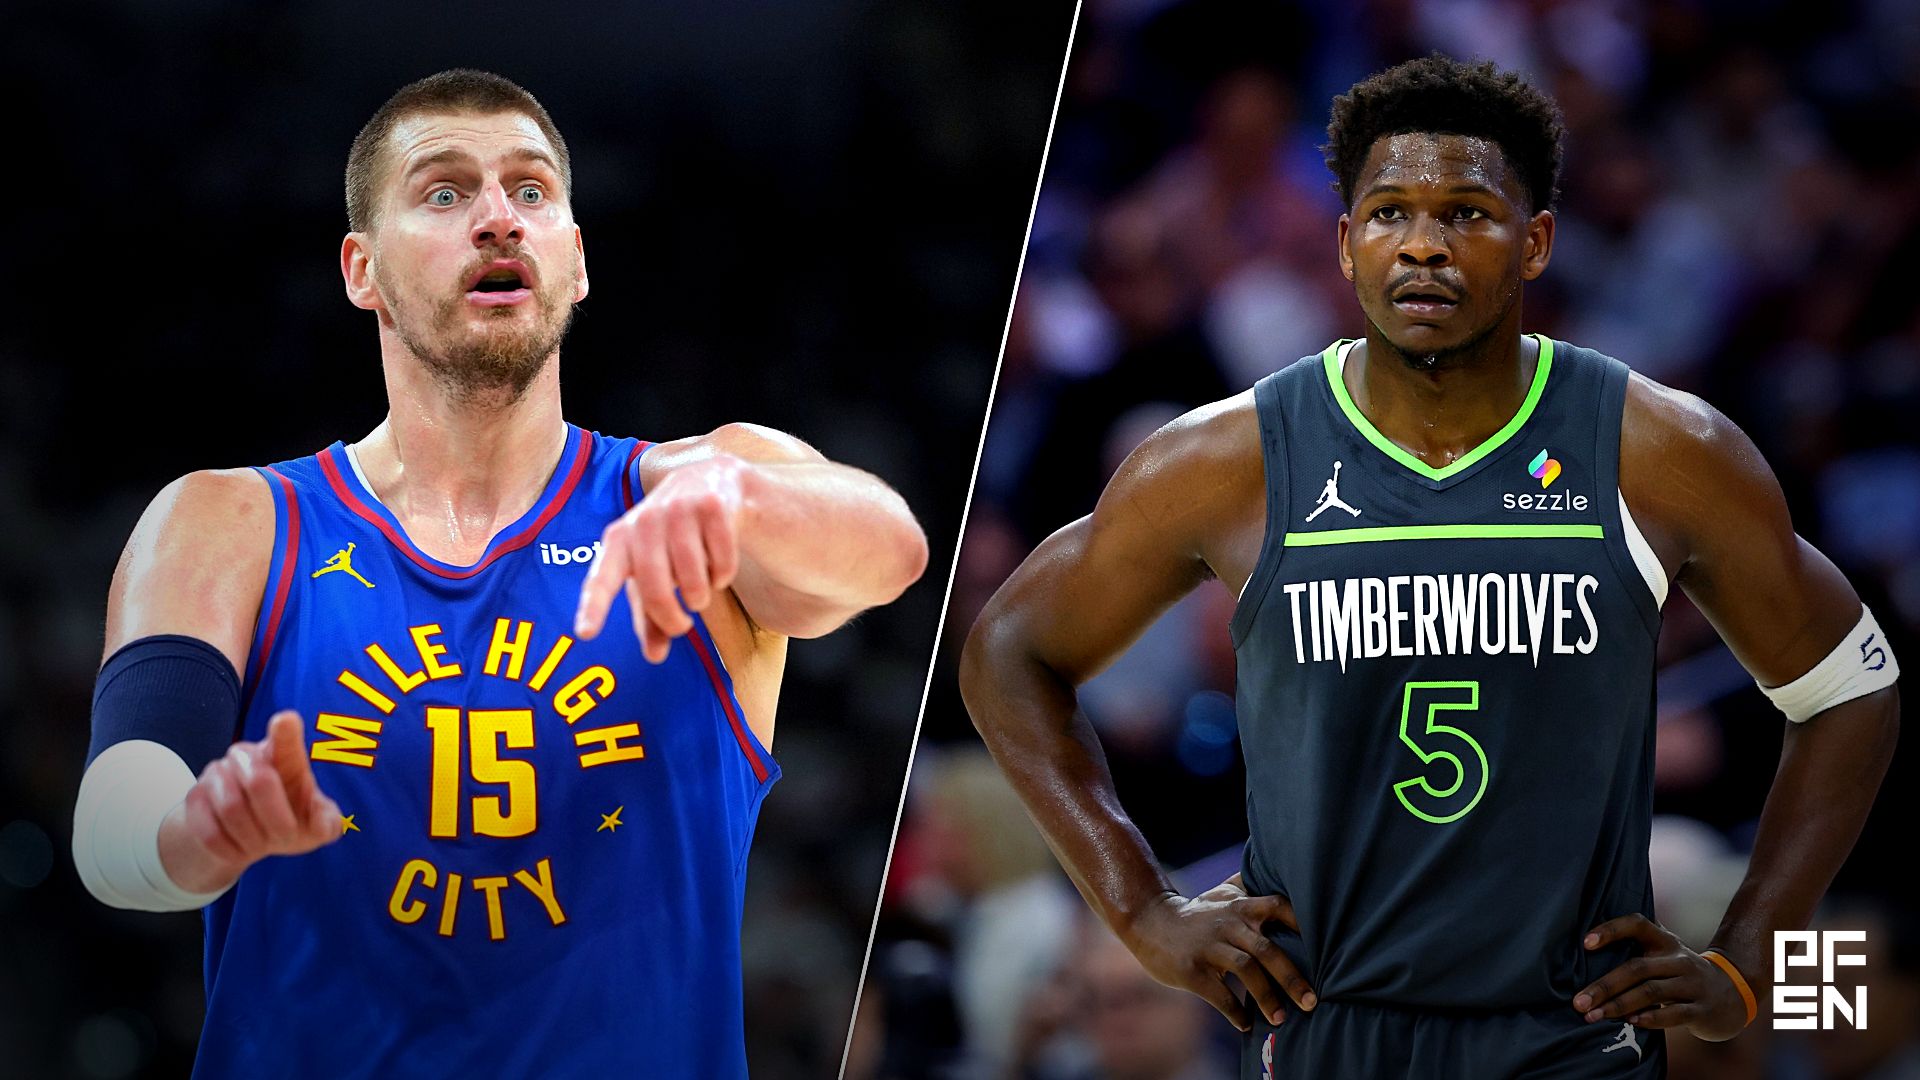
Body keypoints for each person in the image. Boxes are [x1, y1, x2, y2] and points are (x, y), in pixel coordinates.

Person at [959, 55, 1900, 1079]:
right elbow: (1006, 650)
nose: (1422, 245)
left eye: (1466, 214)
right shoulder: (1226, 461)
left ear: (1535, 241)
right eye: (1390, 212)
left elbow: (1853, 689)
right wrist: (1141, 908)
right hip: (1332, 1030)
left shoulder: (1660, 451)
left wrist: (1750, 956)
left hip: (1571, 1036)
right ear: (1345, 245)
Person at [70, 69, 928, 1077]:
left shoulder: (696, 491)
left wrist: (744, 502)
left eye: (531, 192)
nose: (497, 219)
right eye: (443, 192)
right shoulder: (234, 521)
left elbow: (892, 548)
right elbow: (112, 822)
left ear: (576, 260)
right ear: (362, 269)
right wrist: (191, 839)